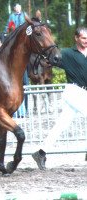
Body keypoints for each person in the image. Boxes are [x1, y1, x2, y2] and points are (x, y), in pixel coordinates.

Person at [32, 27, 87, 170]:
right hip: (74, 91)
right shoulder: (67, 53)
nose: (86, 41)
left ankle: (41, 153)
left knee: (61, 125)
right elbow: (49, 58)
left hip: (84, 94)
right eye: (83, 38)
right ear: (76, 38)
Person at [4, 3, 29, 117]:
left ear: (21, 8)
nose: (17, 8)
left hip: (25, 35)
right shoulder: (11, 16)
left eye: (19, 7)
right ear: (14, 8)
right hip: (15, 35)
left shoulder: (25, 15)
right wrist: (6, 32)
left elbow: (29, 26)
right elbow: (8, 26)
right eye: (16, 7)